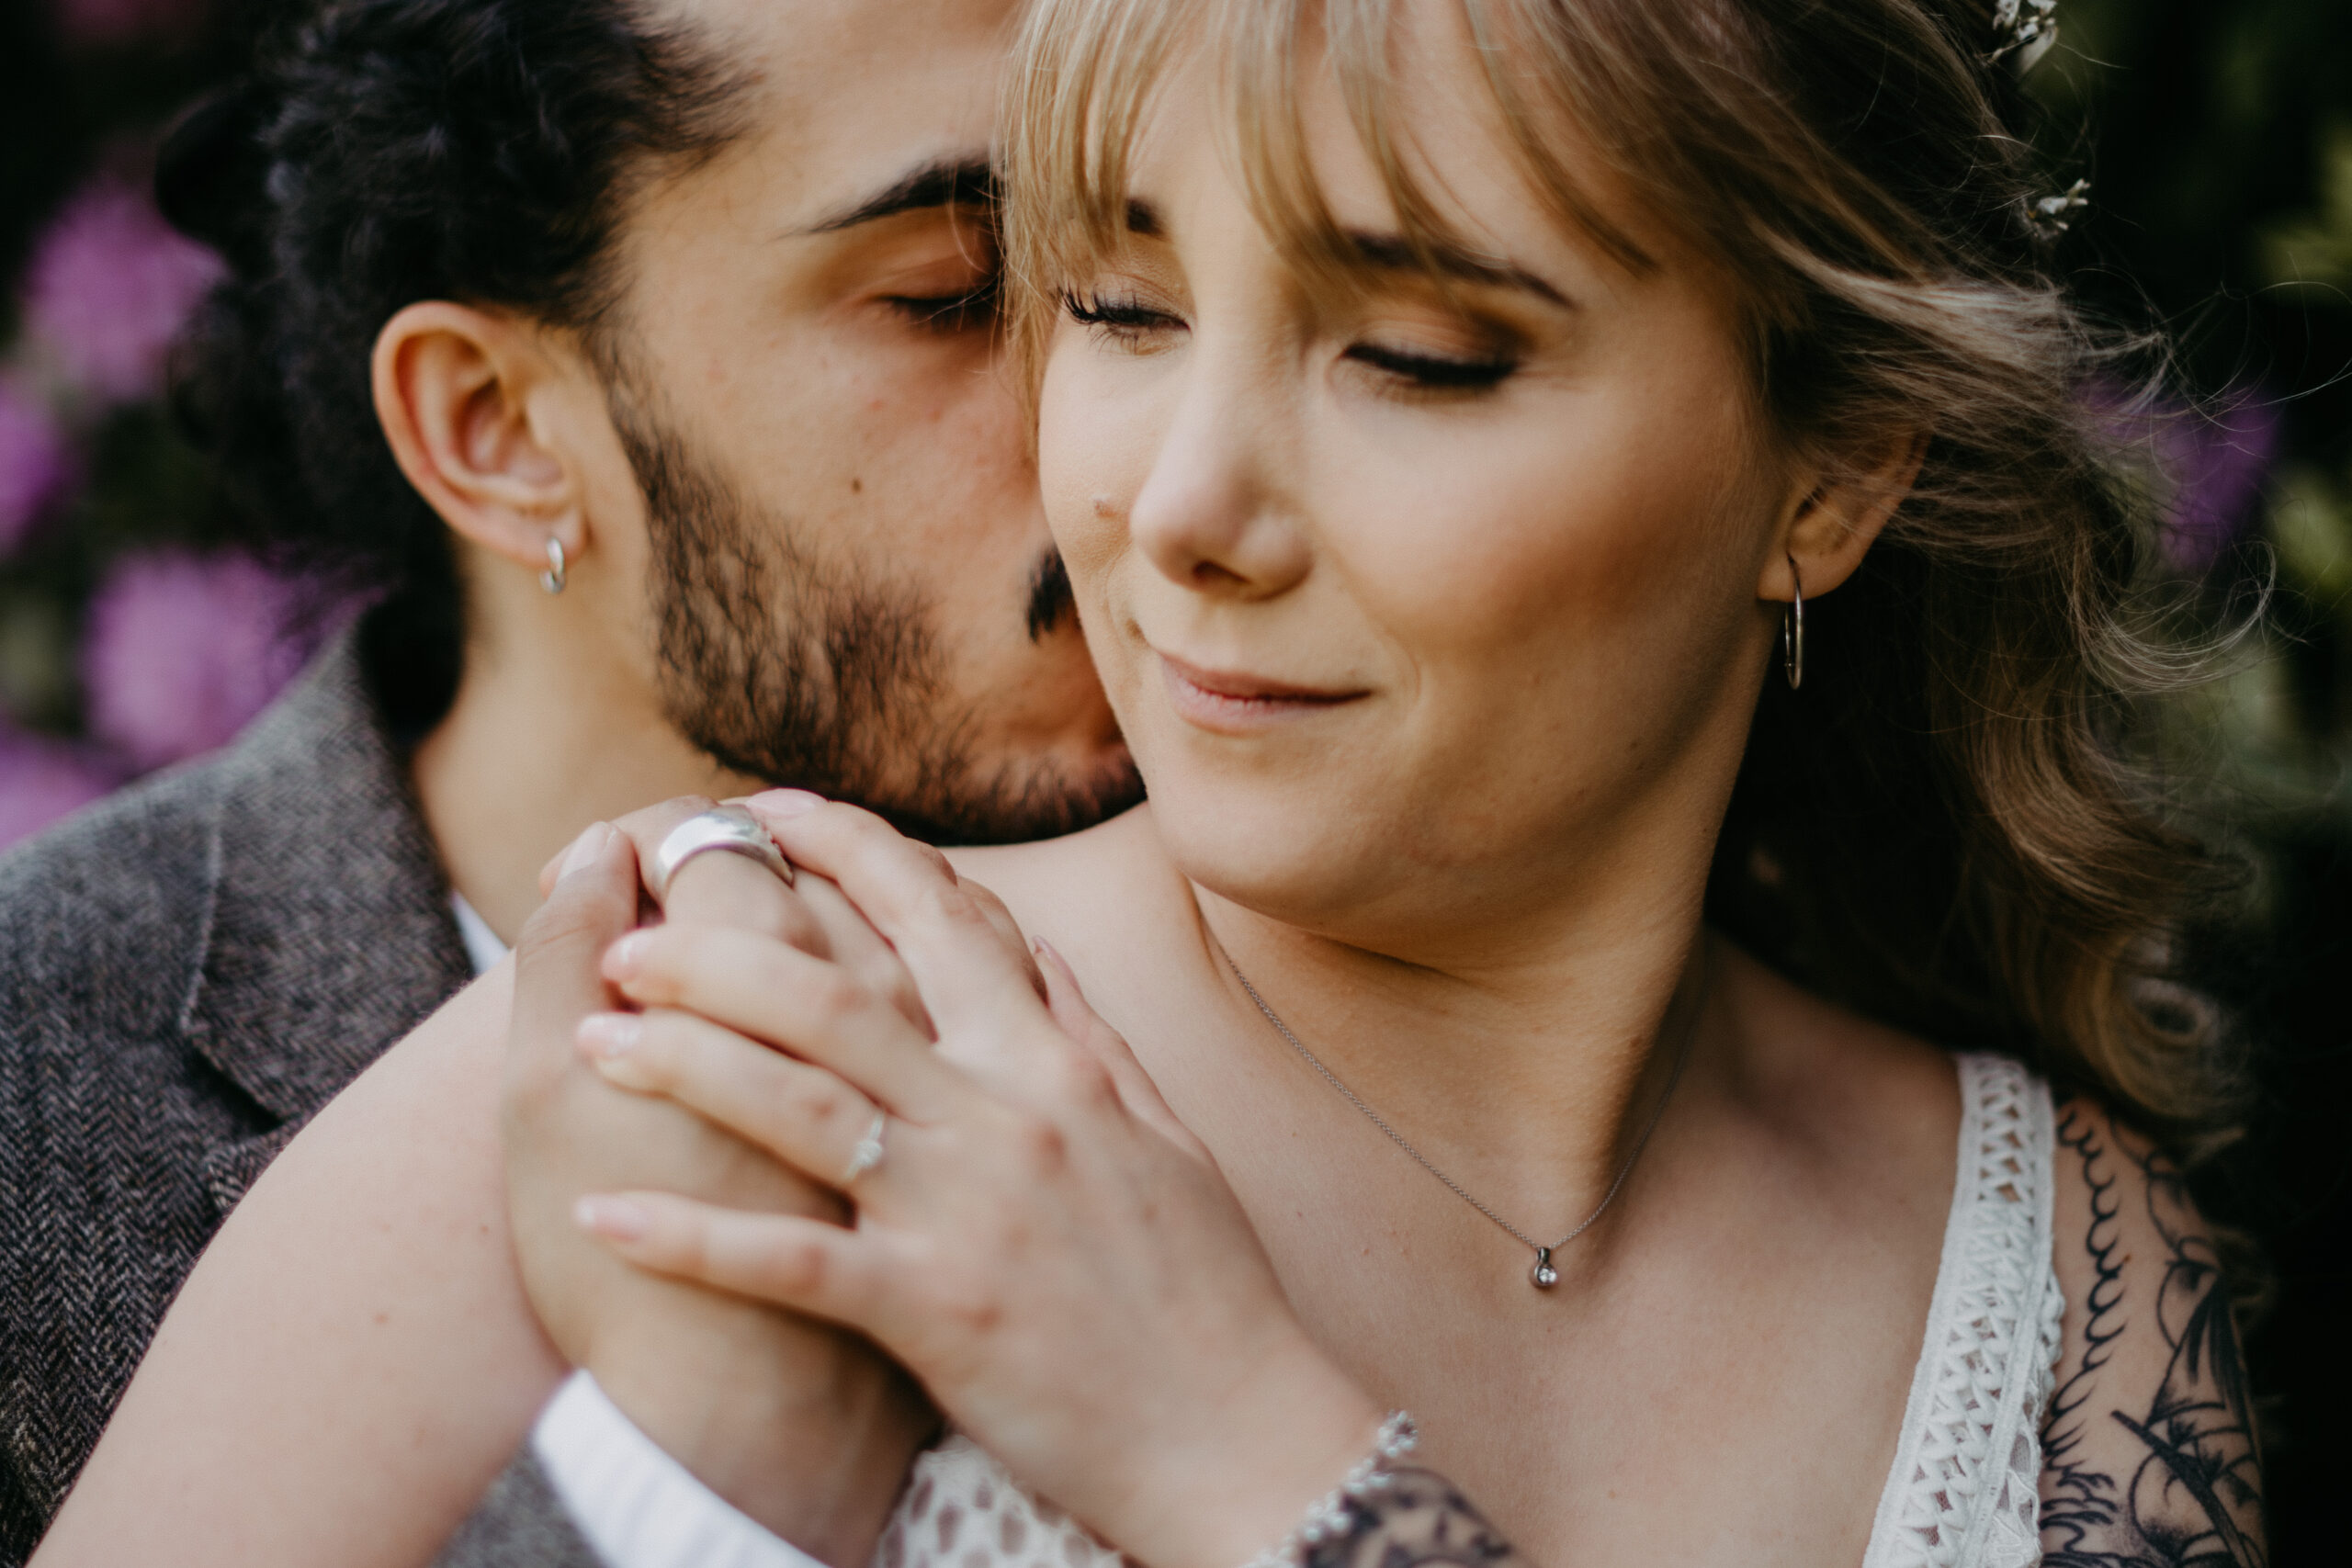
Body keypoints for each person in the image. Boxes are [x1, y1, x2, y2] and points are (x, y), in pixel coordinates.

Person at [42, 0, 2269, 1564]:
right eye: (1106, 306)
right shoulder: (728, 1051)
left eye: (1413, 353)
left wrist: (1249, 1457)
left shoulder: (2065, 1261)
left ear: (1834, 467)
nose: (1166, 504)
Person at [0, 0, 1139, 1560]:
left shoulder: (1289, 899)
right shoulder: (36, 1084)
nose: (1136, 448)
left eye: (1152, 291)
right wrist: (691, 1467)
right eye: (953, 296)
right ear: (497, 430)